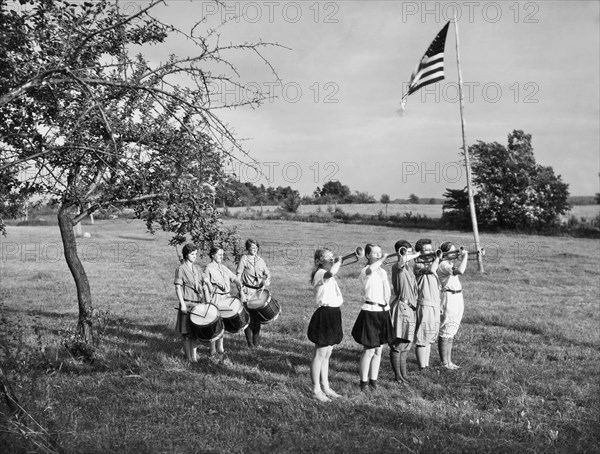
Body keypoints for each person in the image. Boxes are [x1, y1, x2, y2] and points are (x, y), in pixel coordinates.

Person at [351, 244, 394, 392]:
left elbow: (387, 292)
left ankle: (373, 381)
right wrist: (382, 259)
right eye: (375, 253)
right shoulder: (366, 271)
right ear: (368, 255)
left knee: (378, 350)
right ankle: (363, 383)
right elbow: (370, 269)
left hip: (383, 311)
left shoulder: (382, 271)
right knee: (369, 350)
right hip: (371, 311)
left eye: (380, 252)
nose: (378, 255)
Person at [307, 248, 344, 402]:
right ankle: (316, 390)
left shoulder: (327, 274)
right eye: (327, 257)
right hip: (325, 314)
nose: (331, 259)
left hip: (334, 312)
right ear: (319, 261)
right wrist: (339, 262)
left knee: (327, 354)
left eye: (332, 256)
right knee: (320, 354)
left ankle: (326, 387)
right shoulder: (320, 273)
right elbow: (330, 274)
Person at [389, 240, 421, 384]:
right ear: (401, 252)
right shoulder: (397, 266)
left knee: (406, 345)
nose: (411, 254)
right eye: (407, 251)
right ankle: (397, 377)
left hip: (410, 308)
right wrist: (415, 254)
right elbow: (402, 262)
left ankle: (403, 375)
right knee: (399, 344)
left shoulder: (409, 267)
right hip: (402, 308)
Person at [204, 246, 244, 356]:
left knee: (223, 324)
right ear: (212, 255)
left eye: (222, 255)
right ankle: (212, 349)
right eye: (219, 254)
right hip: (215, 298)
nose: (221, 257)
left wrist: (239, 284)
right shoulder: (208, 269)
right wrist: (208, 303)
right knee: (214, 323)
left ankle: (220, 347)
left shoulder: (223, 268)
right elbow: (205, 287)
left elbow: (234, 277)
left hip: (226, 298)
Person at [174, 243, 210, 362]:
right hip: (187, 302)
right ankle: (188, 357)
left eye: (195, 254)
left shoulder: (197, 269)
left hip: (197, 303)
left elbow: (203, 282)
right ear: (186, 255)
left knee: (195, 333)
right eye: (192, 254)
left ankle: (194, 358)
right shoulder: (181, 269)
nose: (194, 256)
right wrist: (182, 304)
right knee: (186, 333)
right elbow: (178, 288)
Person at [437, 242, 469, 369]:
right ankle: (444, 362)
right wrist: (465, 256)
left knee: (452, 331)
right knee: (445, 331)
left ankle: (449, 362)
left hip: (457, 296)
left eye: (456, 251)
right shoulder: (443, 265)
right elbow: (460, 271)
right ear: (445, 253)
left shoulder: (449, 263)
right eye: (453, 251)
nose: (456, 253)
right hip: (449, 297)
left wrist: (461, 257)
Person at [236, 239, 271, 348]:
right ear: (248, 248)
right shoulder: (244, 259)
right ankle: (250, 344)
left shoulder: (260, 260)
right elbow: (238, 277)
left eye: (256, 248)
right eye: (252, 248)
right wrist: (241, 292)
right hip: (247, 292)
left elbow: (268, 273)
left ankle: (256, 343)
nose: (254, 250)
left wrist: (267, 280)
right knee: (249, 318)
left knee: (257, 318)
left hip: (258, 293)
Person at [413, 238, 442, 370]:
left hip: (434, 303)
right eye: (427, 250)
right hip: (425, 304)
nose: (431, 252)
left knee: (430, 337)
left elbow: (435, 287)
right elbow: (430, 270)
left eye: (431, 249)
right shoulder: (418, 265)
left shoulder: (432, 265)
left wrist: (439, 304)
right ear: (419, 252)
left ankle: (426, 364)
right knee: (422, 337)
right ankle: (421, 367)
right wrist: (437, 258)